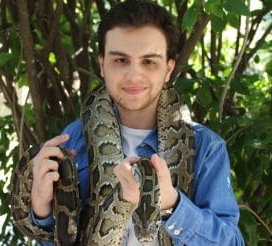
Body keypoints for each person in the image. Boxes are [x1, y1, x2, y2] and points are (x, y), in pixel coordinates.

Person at [29, 0, 244, 245]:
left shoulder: (206, 148)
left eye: (149, 61)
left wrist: (173, 206)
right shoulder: (73, 139)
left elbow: (233, 241)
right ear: (102, 65)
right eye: (120, 60)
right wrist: (42, 211)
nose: (134, 75)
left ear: (168, 69)